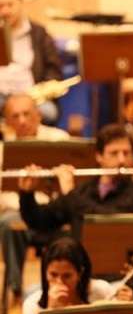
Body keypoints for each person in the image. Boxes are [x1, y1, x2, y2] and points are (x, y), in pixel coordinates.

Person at [18, 124, 133, 240]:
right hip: (80, 266)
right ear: (99, 156)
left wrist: (70, 193)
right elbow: (39, 222)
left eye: (126, 153)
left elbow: (105, 223)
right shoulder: (83, 190)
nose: (122, 160)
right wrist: (27, 194)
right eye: (114, 153)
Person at [0, 94, 69, 301]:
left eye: (26, 114)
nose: (22, 120)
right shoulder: (3, 150)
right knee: (7, 224)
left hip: (56, 212)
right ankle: (16, 290)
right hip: (20, 214)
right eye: (15, 116)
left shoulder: (60, 139)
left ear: (38, 115)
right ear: (8, 122)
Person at [0, 0, 62, 124]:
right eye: (0, 6)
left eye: (10, 5)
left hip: (32, 96)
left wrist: (40, 90)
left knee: (49, 112)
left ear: (21, 3)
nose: (5, 11)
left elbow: (53, 69)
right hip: (1, 96)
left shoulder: (39, 33)